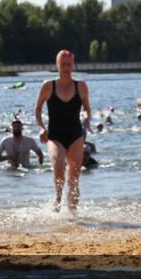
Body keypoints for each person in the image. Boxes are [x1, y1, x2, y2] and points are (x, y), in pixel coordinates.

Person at [34, 50, 92, 213]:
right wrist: (40, 128)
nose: (66, 68)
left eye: (69, 64)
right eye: (63, 64)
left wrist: (87, 119)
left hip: (75, 135)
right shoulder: (48, 85)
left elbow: (87, 108)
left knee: (73, 179)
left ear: (73, 65)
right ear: (57, 65)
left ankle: (73, 215)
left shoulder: (80, 86)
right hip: (55, 136)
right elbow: (37, 108)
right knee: (59, 168)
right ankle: (57, 202)